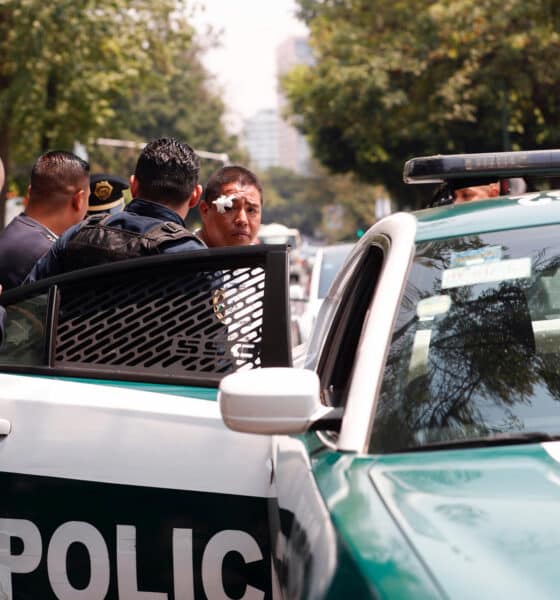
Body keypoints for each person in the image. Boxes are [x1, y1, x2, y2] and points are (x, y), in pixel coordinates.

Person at [25, 137, 205, 283]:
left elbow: (29, 305)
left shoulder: (75, 235)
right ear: (196, 196)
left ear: (133, 186)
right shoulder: (196, 258)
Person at [0, 150, 90, 290]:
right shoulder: (53, 257)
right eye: (88, 199)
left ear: (30, 192)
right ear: (79, 199)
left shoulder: (8, 234)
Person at [197, 165, 262, 247]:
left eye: (251, 210)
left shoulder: (262, 258)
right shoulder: (182, 254)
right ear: (205, 210)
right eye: (229, 208)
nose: (242, 220)